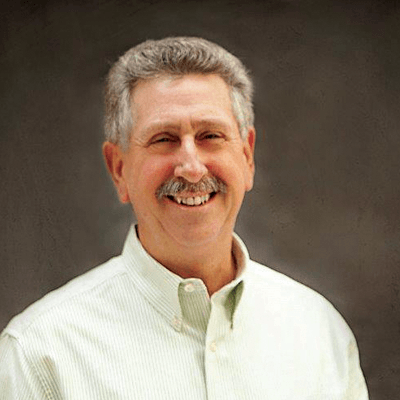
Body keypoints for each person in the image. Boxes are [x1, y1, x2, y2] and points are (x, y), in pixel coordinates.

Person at [0, 37, 368, 399]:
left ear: (247, 156)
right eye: (163, 139)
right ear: (119, 169)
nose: (192, 168)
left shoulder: (321, 334)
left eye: (210, 135)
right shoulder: (40, 354)